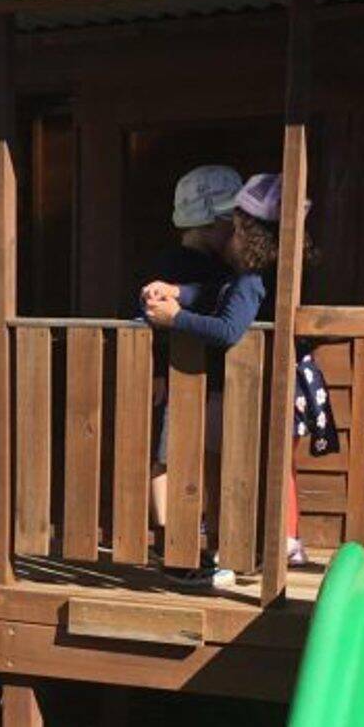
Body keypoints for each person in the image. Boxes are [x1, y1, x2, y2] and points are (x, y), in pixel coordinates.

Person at [143, 172, 337, 573]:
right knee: (264, 463)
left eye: (233, 227)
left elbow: (229, 327)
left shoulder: (251, 278)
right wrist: (178, 292)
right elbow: (219, 296)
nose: (228, 235)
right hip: (280, 381)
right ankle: (268, 543)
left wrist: (176, 318)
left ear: (247, 234)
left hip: (264, 385)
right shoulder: (265, 272)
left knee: (255, 465)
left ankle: (259, 546)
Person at [140, 165, 241, 570]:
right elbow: (152, 317)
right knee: (169, 455)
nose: (232, 230)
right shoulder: (174, 262)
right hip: (179, 374)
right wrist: (157, 370)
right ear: (205, 222)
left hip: (213, 377)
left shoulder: (224, 268)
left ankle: (206, 534)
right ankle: (169, 537)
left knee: (212, 455)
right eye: (226, 222)